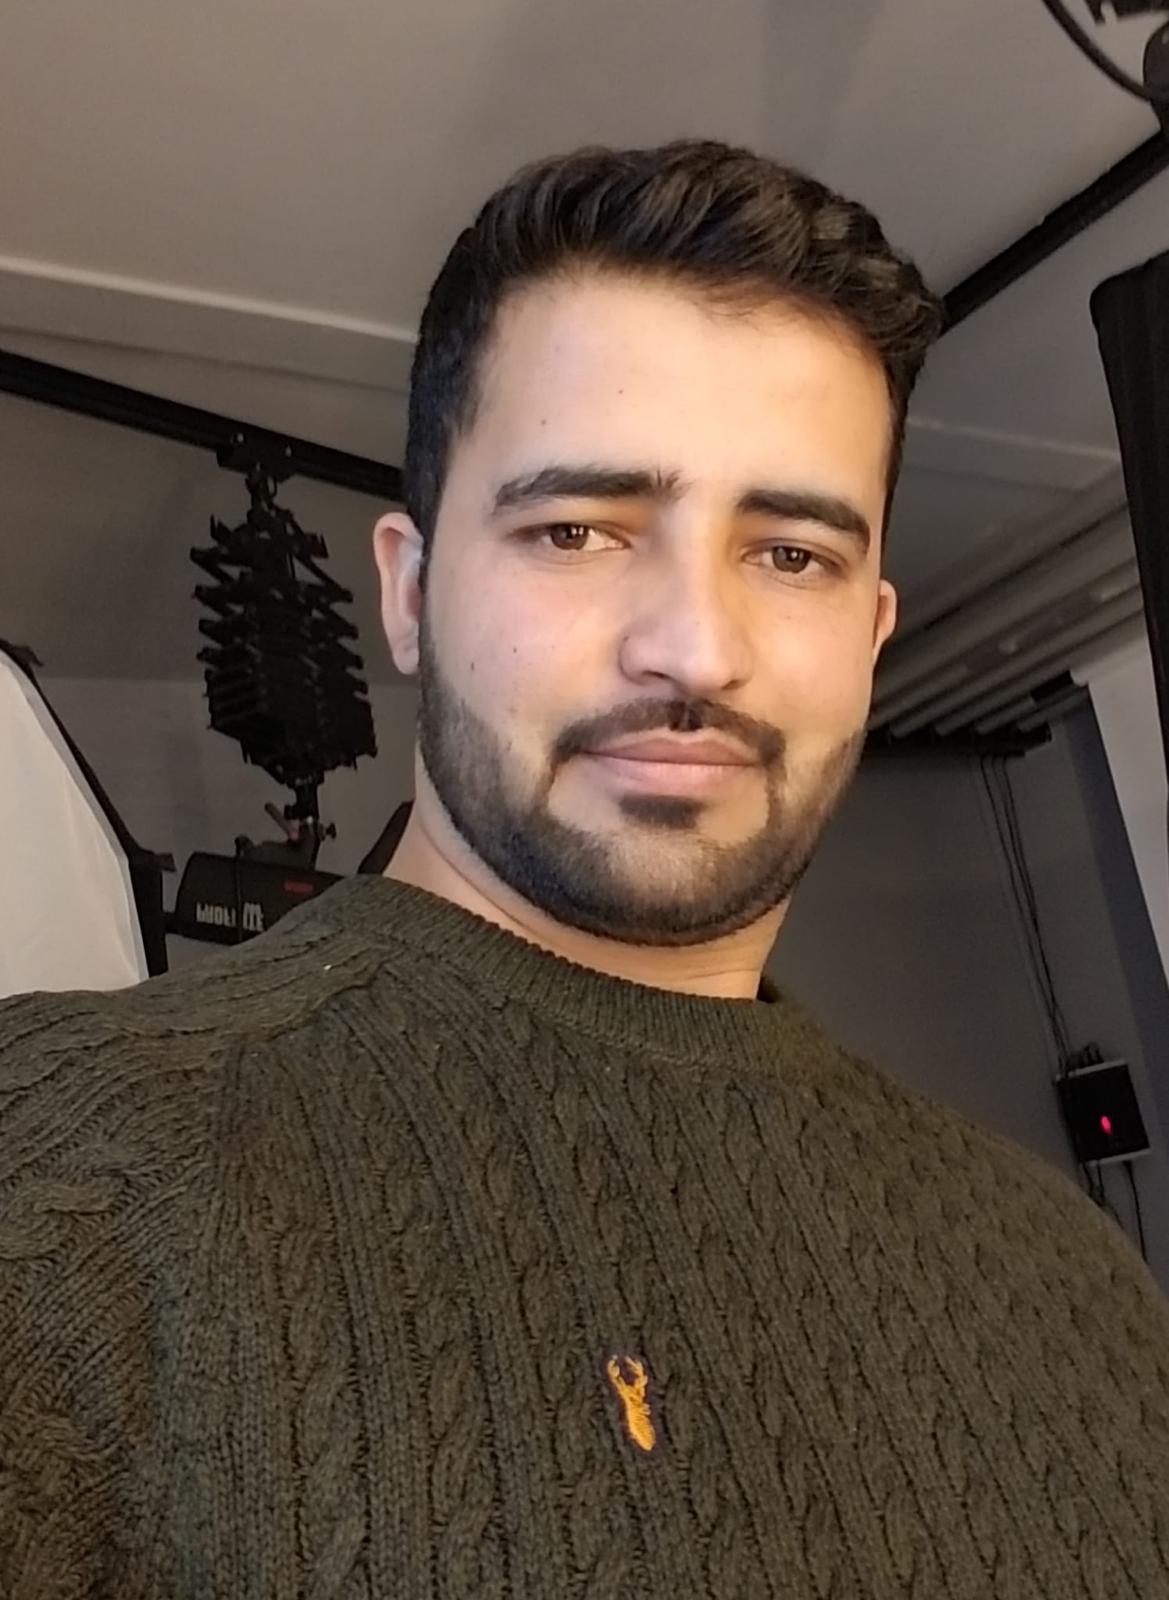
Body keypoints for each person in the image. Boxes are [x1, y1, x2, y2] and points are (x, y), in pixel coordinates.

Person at [2, 140, 1168, 1600]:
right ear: (410, 592)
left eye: (791, 554)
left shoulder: (1075, 1277)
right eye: (577, 529)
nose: (697, 648)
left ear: (871, 636)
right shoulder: (55, 1168)